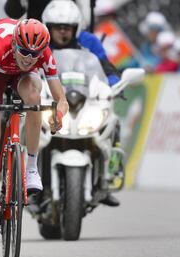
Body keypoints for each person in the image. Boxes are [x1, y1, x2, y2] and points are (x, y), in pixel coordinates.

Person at [0, 18, 69, 241]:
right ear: (14, 44)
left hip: (22, 78)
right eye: (24, 51)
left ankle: (31, 167)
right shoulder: (0, 47)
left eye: (35, 54)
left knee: (34, 98)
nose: (29, 58)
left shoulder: (44, 54)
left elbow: (62, 100)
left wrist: (58, 115)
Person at [41, 0, 120, 206]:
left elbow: (106, 68)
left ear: (76, 28)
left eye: (68, 27)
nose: (63, 32)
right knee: (25, 122)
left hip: (82, 101)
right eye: (58, 27)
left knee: (113, 122)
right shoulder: (40, 42)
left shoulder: (89, 41)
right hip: (49, 101)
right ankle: (25, 179)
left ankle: (107, 177)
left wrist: (114, 85)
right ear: (48, 27)